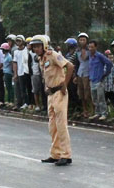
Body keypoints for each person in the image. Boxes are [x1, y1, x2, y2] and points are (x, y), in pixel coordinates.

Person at [28, 35, 74, 166]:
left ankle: (66, 154)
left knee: (61, 124)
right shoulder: (41, 59)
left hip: (60, 92)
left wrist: (65, 84)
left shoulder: (53, 55)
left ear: (44, 45)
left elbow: (69, 66)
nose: (36, 49)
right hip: (51, 93)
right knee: (52, 125)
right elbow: (46, 75)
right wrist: (46, 87)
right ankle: (55, 153)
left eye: (38, 46)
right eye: (34, 47)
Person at [87, 39, 113, 121]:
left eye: (92, 47)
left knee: (101, 98)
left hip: (99, 80)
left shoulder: (99, 56)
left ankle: (104, 113)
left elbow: (109, 63)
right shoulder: (90, 56)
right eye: (89, 47)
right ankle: (97, 112)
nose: (90, 49)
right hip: (92, 79)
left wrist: (105, 73)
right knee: (94, 98)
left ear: (96, 47)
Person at [75, 32, 94, 119]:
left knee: (88, 93)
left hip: (87, 73)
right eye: (80, 40)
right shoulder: (77, 51)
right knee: (81, 93)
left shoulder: (90, 50)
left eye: (83, 40)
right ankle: (84, 110)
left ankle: (92, 110)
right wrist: (75, 75)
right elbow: (76, 63)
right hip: (80, 73)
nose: (82, 41)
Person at [12, 36, 30, 109]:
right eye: (17, 41)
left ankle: (28, 102)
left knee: (27, 88)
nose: (18, 42)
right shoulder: (16, 52)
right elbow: (15, 63)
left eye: (19, 41)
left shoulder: (27, 50)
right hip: (20, 72)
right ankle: (21, 102)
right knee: (21, 88)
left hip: (27, 71)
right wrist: (15, 73)